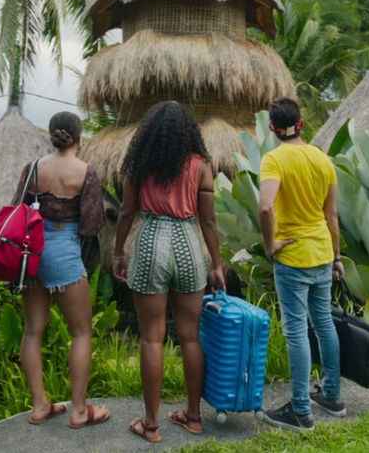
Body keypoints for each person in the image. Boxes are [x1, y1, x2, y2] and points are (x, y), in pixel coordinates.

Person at [112, 101, 226, 444]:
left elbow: (127, 211)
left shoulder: (139, 164)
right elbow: (207, 219)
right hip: (189, 245)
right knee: (191, 336)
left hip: (149, 245)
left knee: (151, 337)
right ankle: (193, 417)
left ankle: (151, 424)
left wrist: (118, 251)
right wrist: (217, 263)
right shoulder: (200, 166)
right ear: (188, 132)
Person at [15, 111, 110, 429]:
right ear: (79, 137)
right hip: (64, 251)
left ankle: (40, 404)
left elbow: (17, 208)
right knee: (81, 332)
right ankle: (80, 410)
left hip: (31, 254)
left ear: (51, 134)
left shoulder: (33, 169)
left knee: (32, 331)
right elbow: (92, 223)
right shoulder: (86, 171)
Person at [257, 97, 346, 431]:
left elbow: (266, 207)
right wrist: (337, 257)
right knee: (323, 323)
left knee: (296, 332)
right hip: (322, 252)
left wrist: (270, 244)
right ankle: (333, 396)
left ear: (272, 128)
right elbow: (331, 215)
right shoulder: (323, 160)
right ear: (302, 123)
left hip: (292, 256)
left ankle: (300, 410)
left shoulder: (273, 160)